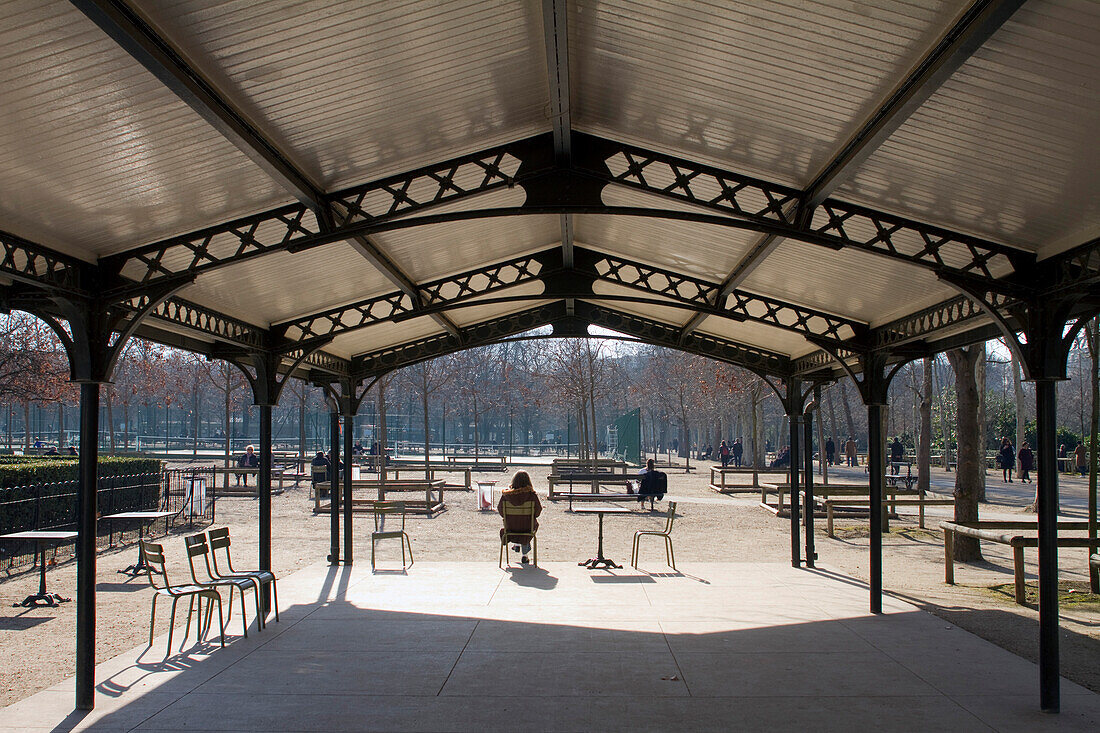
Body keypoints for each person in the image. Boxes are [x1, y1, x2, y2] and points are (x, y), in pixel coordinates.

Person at [498, 470, 542, 565]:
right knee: (531, 525)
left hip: (511, 528)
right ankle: (524, 555)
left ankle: (517, 544)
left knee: (518, 524)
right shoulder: (531, 495)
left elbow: (500, 509)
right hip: (527, 528)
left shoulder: (506, 496)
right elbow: (538, 511)